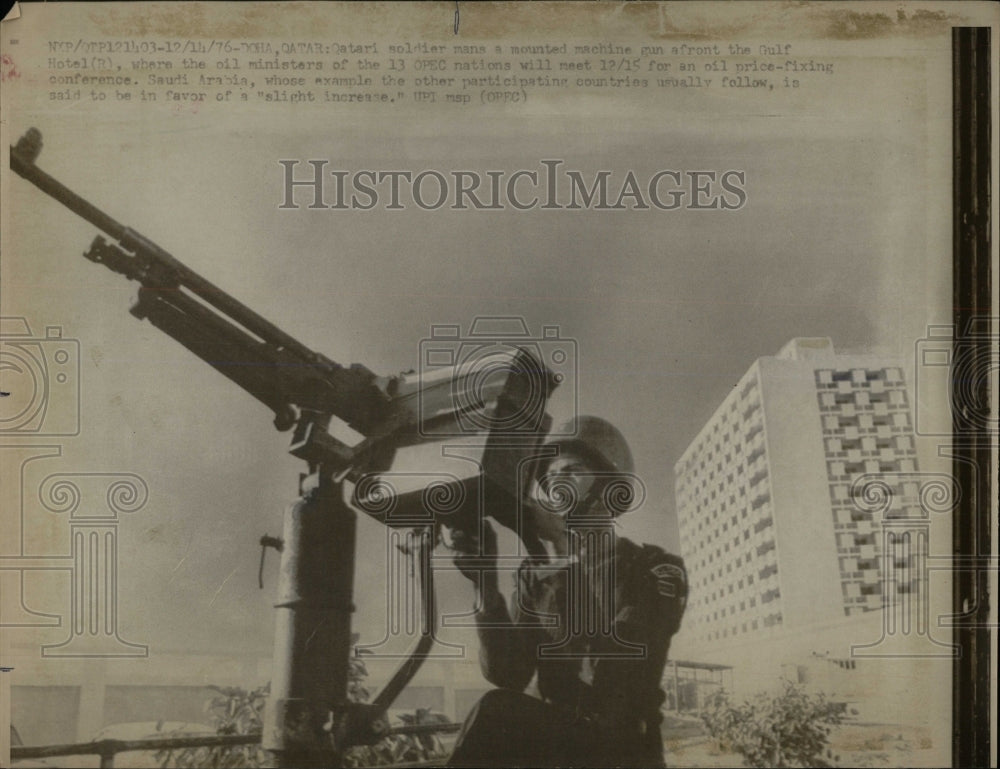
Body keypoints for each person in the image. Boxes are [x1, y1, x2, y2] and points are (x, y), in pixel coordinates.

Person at [448, 416, 688, 768]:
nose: (557, 484)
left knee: (494, 711)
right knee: (495, 707)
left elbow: (612, 674)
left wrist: (561, 549)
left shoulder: (653, 569)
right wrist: (484, 582)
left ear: (609, 486)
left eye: (572, 470)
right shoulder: (537, 576)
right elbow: (507, 675)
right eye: (551, 476)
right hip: (560, 744)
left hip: (622, 749)